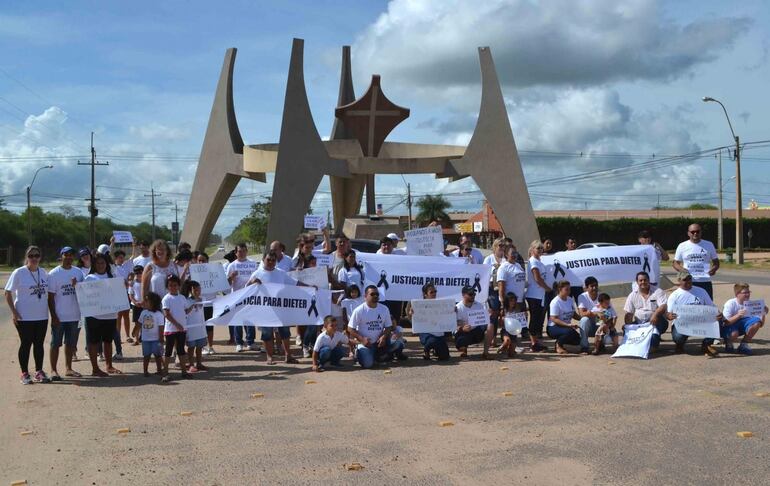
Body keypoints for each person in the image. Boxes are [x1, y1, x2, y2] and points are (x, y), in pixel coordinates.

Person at [247, 251, 303, 365]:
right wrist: (252, 282)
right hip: (265, 310)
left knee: (285, 333)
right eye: (269, 260)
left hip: (281, 309)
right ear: (263, 260)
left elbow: (295, 283)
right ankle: (269, 357)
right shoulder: (257, 274)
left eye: (273, 260)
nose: (271, 262)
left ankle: (288, 355)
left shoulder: (281, 273)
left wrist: (310, 287)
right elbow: (246, 289)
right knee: (267, 334)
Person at [5, 246, 51, 384]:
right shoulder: (19, 272)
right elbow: (7, 293)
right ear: (27, 257)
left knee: (39, 344)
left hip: (41, 316)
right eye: (31, 256)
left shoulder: (43, 272)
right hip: (24, 317)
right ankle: (24, 373)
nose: (34, 258)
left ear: (40, 257)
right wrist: (14, 312)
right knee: (26, 344)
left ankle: (39, 371)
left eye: (36, 255)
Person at [651, 270, 721, 356]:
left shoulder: (701, 291)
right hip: (683, 324)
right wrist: (669, 316)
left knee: (719, 322)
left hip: (700, 322)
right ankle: (679, 345)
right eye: (685, 280)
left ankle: (706, 344)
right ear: (679, 281)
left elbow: (712, 306)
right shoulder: (675, 295)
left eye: (689, 279)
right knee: (678, 337)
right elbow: (668, 313)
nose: (688, 281)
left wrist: (718, 314)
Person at [47, 246, 85, 380]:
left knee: (70, 344)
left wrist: (77, 286)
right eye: (66, 254)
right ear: (61, 256)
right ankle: (53, 370)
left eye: (71, 255)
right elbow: (50, 298)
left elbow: (85, 292)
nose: (69, 257)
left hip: (75, 316)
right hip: (60, 316)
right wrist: (54, 316)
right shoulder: (53, 274)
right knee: (55, 343)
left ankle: (69, 368)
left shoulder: (79, 272)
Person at [84, 253, 122, 376]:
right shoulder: (89, 278)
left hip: (110, 315)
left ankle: (109, 366)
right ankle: (95, 368)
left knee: (108, 341)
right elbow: (84, 295)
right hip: (94, 316)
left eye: (103, 263)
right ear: (94, 264)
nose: (101, 265)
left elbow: (119, 292)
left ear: (107, 264)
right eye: (98, 263)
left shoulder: (113, 276)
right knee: (93, 342)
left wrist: (123, 286)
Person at [347, 285, 395, 368]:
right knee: (368, 364)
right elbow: (350, 328)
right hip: (366, 343)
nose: (375, 296)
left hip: (379, 342)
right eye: (372, 294)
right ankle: (358, 352)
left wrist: (383, 337)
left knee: (398, 343)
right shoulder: (359, 310)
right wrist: (362, 339)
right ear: (365, 296)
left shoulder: (384, 309)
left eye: (377, 294)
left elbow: (388, 326)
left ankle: (378, 355)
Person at [623, 271, 669, 351]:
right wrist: (628, 326)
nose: (643, 282)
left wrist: (655, 314)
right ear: (637, 282)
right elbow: (629, 313)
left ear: (649, 280)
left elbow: (663, 306)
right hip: (640, 323)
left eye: (645, 280)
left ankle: (654, 342)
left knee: (653, 341)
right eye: (640, 280)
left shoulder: (658, 291)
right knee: (626, 332)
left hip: (656, 321)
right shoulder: (632, 295)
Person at [226, 242, 258, 352]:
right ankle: (239, 343)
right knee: (238, 320)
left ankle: (251, 342)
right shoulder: (232, 265)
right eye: (240, 251)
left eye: (244, 250)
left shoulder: (253, 264)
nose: (242, 253)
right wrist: (231, 277)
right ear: (236, 253)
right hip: (236, 296)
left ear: (247, 251)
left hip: (250, 296)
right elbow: (227, 284)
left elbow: (258, 278)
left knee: (250, 319)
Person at [672, 223, 719, 299]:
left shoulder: (709, 244)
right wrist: (682, 270)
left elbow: (716, 262)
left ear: (701, 232)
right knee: (689, 304)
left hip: (705, 281)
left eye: (697, 231)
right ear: (688, 233)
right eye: (692, 232)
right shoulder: (682, 246)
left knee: (707, 307)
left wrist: (713, 269)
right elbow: (675, 263)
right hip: (688, 281)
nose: (695, 233)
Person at [407, 283, 450, 361]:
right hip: (426, 334)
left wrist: (453, 311)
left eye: (435, 291)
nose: (434, 294)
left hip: (439, 334)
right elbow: (412, 320)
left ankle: (436, 350)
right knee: (432, 341)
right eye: (431, 292)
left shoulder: (441, 304)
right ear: (425, 294)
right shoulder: (418, 305)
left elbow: (447, 317)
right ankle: (426, 350)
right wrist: (411, 314)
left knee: (444, 357)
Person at [721, 283, 766, 355]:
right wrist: (738, 315)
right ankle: (728, 342)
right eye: (745, 293)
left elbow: (760, 325)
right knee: (734, 334)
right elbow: (725, 323)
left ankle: (743, 345)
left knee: (756, 322)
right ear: (737, 294)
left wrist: (763, 313)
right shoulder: (730, 303)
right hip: (729, 327)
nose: (748, 294)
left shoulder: (751, 304)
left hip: (741, 326)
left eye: (748, 292)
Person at [161, 275, 192, 381]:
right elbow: (166, 314)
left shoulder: (182, 298)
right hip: (170, 329)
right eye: (170, 285)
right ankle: (165, 373)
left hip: (181, 329)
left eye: (175, 285)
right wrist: (177, 324)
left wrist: (193, 306)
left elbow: (186, 310)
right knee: (168, 351)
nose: (173, 287)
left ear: (179, 286)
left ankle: (184, 372)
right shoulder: (166, 298)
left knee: (181, 350)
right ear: (167, 287)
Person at [524, 240, 549, 350]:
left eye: (541, 248)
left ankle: (536, 341)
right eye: (537, 248)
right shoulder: (533, 262)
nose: (540, 250)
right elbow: (537, 279)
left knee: (538, 318)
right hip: (534, 294)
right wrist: (548, 288)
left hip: (539, 294)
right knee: (534, 318)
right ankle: (533, 343)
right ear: (532, 249)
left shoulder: (539, 261)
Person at [547, 280, 582, 355]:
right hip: (553, 328)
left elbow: (573, 314)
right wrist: (568, 325)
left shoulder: (569, 299)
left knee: (578, 340)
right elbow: (554, 319)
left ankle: (562, 343)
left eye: (569, 289)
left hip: (566, 327)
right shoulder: (555, 302)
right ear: (560, 289)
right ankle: (558, 345)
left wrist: (582, 319)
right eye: (566, 289)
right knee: (569, 332)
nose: (569, 291)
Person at [454, 286, 489, 358]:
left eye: (474, 294)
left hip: (476, 332)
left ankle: (486, 353)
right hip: (464, 332)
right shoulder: (458, 307)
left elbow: (484, 321)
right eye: (470, 294)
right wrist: (463, 328)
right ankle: (463, 348)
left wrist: (488, 315)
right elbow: (457, 324)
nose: (473, 296)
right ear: (463, 295)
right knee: (460, 340)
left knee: (488, 326)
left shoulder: (479, 305)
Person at [182, 280, 208, 372]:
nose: (198, 292)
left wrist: (198, 300)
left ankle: (199, 363)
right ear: (191, 290)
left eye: (199, 289)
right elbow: (185, 312)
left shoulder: (203, 299)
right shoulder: (187, 300)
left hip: (200, 327)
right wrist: (193, 304)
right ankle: (191, 364)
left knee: (200, 347)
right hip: (191, 327)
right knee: (191, 347)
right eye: (195, 290)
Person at [195, 252, 217, 355]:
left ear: (207, 261)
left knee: (210, 327)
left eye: (203, 260)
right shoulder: (193, 273)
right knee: (200, 327)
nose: (201, 262)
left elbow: (222, 285)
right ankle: (203, 347)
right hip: (199, 305)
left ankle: (211, 346)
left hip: (210, 304)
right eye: (199, 260)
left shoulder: (213, 272)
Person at [138, 291, 164, 377]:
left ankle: (159, 370)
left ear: (153, 303)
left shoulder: (159, 314)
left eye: (146, 301)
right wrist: (135, 332)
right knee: (146, 356)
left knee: (158, 355)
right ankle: (145, 371)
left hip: (156, 339)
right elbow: (139, 323)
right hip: (145, 339)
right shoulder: (143, 313)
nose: (144, 302)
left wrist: (161, 338)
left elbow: (161, 327)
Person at [498, 292, 529, 357]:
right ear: (507, 301)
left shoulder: (517, 310)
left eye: (514, 301)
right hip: (505, 331)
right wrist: (502, 319)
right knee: (507, 340)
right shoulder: (504, 310)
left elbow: (522, 321)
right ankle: (502, 349)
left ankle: (508, 350)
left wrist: (525, 316)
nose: (513, 302)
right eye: (511, 301)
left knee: (511, 354)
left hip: (513, 332)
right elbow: (500, 324)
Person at [576, 276, 600, 354]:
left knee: (603, 319)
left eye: (596, 285)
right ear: (586, 288)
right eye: (592, 286)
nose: (594, 288)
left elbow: (608, 314)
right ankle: (584, 347)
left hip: (599, 324)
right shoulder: (582, 297)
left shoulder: (602, 296)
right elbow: (582, 314)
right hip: (589, 327)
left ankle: (600, 344)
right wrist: (596, 313)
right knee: (584, 320)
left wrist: (590, 312)